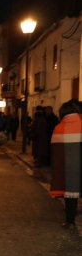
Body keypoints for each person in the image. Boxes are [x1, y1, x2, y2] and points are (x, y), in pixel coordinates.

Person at [49, 99, 81, 234]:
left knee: (71, 194)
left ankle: (70, 221)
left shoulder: (59, 127)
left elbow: (55, 153)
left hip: (68, 169)